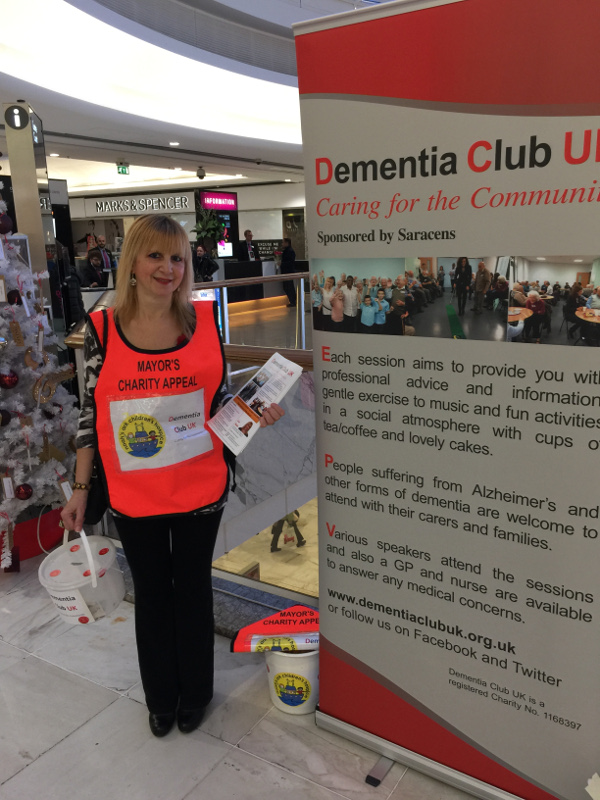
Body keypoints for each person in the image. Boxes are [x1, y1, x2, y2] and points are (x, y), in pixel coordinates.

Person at [60, 214, 284, 739]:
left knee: (193, 590)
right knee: (154, 593)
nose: (168, 268)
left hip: (199, 487)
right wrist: (81, 488)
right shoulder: (101, 329)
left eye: (178, 258)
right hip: (133, 491)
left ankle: (196, 694)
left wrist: (255, 412)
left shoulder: (204, 322)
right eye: (156, 256)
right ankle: (161, 697)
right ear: (132, 263)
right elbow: (90, 415)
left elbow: (218, 400)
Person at [279, 238, 297, 306]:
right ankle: (293, 301)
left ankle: (293, 301)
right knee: (288, 287)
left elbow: (290, 262)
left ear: (287, 243)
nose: (282, 244)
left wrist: (282, 264)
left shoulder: (289, 251)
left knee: (288, 287)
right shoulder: (287, 251)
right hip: (287, 272)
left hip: (288, 272)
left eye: (283, 242)